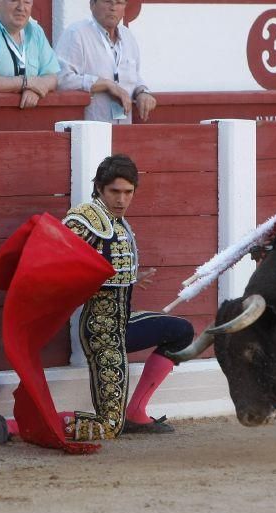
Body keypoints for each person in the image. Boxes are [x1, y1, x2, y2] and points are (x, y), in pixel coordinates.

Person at [59, 155, 194, 440]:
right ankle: (14, 426)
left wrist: (133, 276)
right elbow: (61, 262)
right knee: (109, 426)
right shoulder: (86, 217)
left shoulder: (114, 220)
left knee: (181, 331)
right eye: (114, 192)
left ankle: (137, 411)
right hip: (102, 331)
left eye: (128, 192)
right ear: (99, 188)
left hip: (122, 323)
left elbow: (106, 263)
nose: (121, 199)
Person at [55, 0, 156, 123]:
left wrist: (142, 91)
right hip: (91, 130)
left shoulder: (128, 37)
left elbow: (133, 75)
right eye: (108, 1)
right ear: (92, 4)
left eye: (119, 3)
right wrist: (104, 84)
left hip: (124, 128)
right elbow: (61, 79)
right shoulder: (76, 34)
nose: (113, 8)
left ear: (124, 8)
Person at [0, 0, 59, 109]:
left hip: (28, 120)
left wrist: (35, 89)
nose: (21, 8)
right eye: (14, 1)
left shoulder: (36, 31)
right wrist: (27, 83)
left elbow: (52, 77)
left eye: (27, 2)